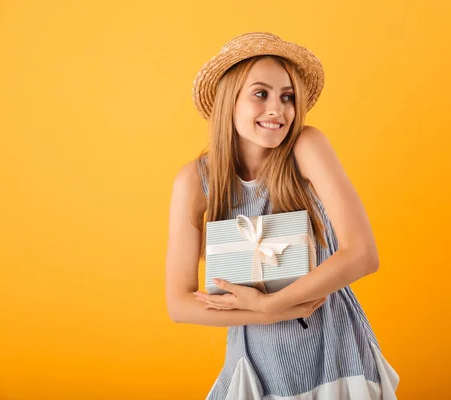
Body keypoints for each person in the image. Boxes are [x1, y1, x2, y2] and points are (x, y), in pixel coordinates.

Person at [165, 32, 400, 399]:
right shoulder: (195, 181)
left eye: (287, 96)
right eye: (261, 94)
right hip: (255, 363)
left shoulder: (307, 146)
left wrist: (271, 303)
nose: (278, 109)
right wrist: (267, 315)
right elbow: (178, 304)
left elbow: (362, 254)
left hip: (334, 352)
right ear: (230, 102)